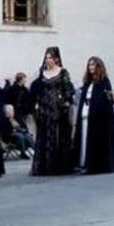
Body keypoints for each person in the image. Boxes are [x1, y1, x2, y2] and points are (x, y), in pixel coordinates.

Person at [30, 47, 76, 175]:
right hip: (44, 108)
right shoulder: (42, 73)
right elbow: (37, 90)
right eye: (46, 58)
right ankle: (44, 166)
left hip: (58, 108)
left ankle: (58, 165)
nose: (48, 60)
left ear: (56, 59)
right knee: (43, 136)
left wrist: (66, 103)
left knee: (57, 136)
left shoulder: (62, 72)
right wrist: (36, 104)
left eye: (50, 58)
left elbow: (68, 90)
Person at [74, 57, 114, 174]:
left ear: (98, 66)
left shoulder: (104, 82)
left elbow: (105, 101)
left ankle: (93, 165)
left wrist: (96, 109)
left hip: (97, 118)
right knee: (84, 139)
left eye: (93, 65)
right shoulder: (87, 83)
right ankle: (83, 162)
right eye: (89, 65)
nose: (90, 67)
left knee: (94, 140)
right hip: (85, 114)